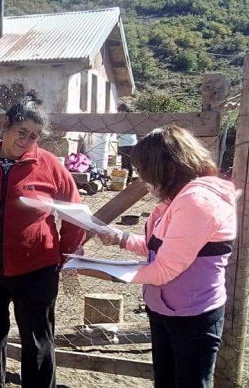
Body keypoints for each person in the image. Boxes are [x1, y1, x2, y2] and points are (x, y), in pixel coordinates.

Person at [0, 101, 86, 388]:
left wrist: (64, 254)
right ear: (5, 127)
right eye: (21, 131)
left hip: (36, 270)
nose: (25, 141)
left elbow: (74, 213)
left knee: (37, 342)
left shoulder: (49, 166)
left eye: (34, 135)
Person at [98, 125, 237, 388]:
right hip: (165, 308)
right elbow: (159, 247)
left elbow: (164, 269)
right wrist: (119, 238)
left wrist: (99, 270)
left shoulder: (197, 201)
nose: (143, 179)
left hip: (192, 316)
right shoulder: (174, 200)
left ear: (166, 169)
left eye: (144, 171)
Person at [117, 103, 138, 183]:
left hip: (127, 142)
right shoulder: (128, 118)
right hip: (127, 142)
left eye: (119, 111)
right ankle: (126, 179)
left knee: (127, 162)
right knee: (126, 162)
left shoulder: (127, 118)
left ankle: (127, 180)